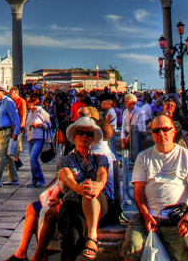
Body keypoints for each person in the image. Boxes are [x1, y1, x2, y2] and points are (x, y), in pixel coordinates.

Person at [122, 115, 188, 261]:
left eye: (165, 129)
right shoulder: (143, 157)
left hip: (177, 218)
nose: (161, 134)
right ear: (152, 134)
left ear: (173, 131)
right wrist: (145, 213)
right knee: (131, 247)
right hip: (148, 216)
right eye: (156, 130)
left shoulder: (187, 156)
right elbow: (138, 190)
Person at [56, 116, 108, 261]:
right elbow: (67, 179)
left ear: (93, 138)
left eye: (89, 134)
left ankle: (92, 236)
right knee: (72, 236)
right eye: (81, 133)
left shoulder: (100, 158)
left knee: (90, 188)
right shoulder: (66, 160)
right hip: (73, 203)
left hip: (97, 204)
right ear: (74, 136)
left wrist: (98, 185)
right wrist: (78, 188)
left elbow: (102, 174)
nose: (84, 136)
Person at [0, 86, 21, 187]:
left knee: (1, 155)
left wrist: (16, 133)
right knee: (7, 157)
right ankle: (14, 178)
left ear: (3, 92)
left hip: (7, 131)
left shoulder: (8, 102)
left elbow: (16, 118)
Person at [25, 95, 52, 188]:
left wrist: (39, 125)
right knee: (32, 160)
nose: (27, 103)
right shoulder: (29, 113)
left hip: (39, 137)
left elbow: (49, 124)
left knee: (33, 158)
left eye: (29, 102)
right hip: (30, 138)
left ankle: (40, 180)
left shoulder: (41, 111)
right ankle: (34, 180)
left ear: (34, 103)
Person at [120, 94, 147, 162]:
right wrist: (123, 141)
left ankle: (135, 157)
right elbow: (123, 127)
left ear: (131, 102)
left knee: (135, 136)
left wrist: (130, 136)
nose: (125, 103)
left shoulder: (140, 112)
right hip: (128, 132)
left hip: (139, 133)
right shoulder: (125, 112)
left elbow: (140, 127)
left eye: (126, 102)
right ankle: (130, 158)